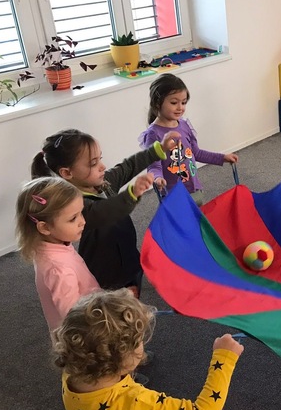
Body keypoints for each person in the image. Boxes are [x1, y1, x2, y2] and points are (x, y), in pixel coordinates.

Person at [52, 288, 244, 410]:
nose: (142, 344)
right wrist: (224, 358)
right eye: (139, 341)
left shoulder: (72, 374)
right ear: (120, 359)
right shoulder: (136, 403)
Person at [31, 128, 179, 297]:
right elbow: (105, 211)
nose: (102, 167)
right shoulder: (75, 205)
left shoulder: (104, 183)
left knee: (133, 288)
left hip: (127, 257)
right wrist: (131, 194)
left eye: (99, 159)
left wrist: (159, 149)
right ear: (67, 173)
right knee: (115, 307)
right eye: (93, 163)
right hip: (106, 271)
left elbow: (128, 166)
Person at [139, 73, 238, 206]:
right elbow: (154, 166)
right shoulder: (153, 134)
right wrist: (157, 178)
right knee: (180, 218)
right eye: (174, 103)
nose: (180, 107)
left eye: (184, 102)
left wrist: (222, 158)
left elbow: (196, 153)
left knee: (197, 215)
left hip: (193, 188)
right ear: (157, 103)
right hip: (173, 194)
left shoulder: (184, 125)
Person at [15, 177, 99, 331]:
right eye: (73, 218)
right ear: (45, 228)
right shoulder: (59, 270)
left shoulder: (50, 244)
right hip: (88, 331)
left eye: (80, 213)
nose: (83, 221)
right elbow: (75, 317)